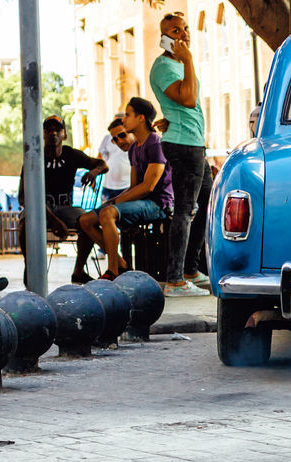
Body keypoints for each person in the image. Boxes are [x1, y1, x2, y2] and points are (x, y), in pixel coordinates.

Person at [77, 98, 177, 286]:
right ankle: (122, 263)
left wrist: (115, 203)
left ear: (141, 118)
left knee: (108, 213)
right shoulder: (134, 149)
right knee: (85, 220)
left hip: (158, 203)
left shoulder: (155, 143)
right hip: (142, 201)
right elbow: (133, 186)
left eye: (128, 115)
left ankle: (113, 271)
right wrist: (115, 200)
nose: (124, 120)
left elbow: (149, 186)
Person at [149, 12, 211, 294]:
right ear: (164, 38)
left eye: (185, 29)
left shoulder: (180, 65)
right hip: (183, 145)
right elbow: (188, 99)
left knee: (207, 204)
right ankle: (174, 279)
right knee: (185, 211)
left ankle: (190, 269)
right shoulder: (164, 66)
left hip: (194, 143)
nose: (184, 34)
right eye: (175, 31)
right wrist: (188, 60)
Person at [17, 115, 107, 284]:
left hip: (66, 207)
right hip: (39, 208)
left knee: (89, 222)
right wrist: (53, 219)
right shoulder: (34, 157)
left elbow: (103, 164)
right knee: (24, 224)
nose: (53, 133)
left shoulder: (71, 154)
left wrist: (93, 172)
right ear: (42, 134)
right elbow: (23, 197)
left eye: (58, 129)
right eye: (48, 130)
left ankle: (78, 272)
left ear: (64, 134)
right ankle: (29, 267)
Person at [96, 116, 132, 204]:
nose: (119, 141)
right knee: (104, 212)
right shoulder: (107, 138)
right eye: (115, 139)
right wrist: (95, 174)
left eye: (122, 135)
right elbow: (99, 158)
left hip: (126, 186)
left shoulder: (134, 145)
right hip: (107, 185)